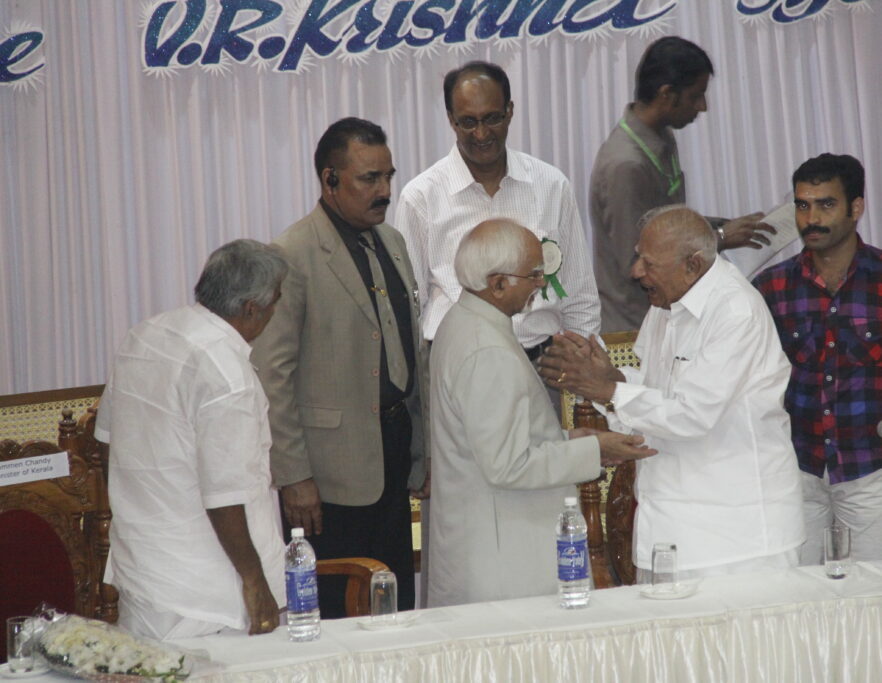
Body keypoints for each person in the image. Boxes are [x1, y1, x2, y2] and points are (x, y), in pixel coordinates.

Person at [539, 206, 804, 580]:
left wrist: (608, 388)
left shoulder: (735, 311)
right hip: (668, 528)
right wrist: (602, 380)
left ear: (693, 265)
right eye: (637, 258)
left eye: (648, 263)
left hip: (735, 541)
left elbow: (692, 414)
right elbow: (656, 393)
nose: (636, 272)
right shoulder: (664, 305)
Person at [250, 118, 429, 616]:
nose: (385, 191)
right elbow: (272, 375)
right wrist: (293, 476)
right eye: (369, 179)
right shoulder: (292, 254)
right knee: (336, 610)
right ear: (329, 180)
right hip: (327, 476)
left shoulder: (391, 242)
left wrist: (422, 450)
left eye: (388, 176)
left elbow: (411, 352)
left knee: (392, 601)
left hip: (391, 455)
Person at [428, 219, 655, 607]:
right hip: (504, 566)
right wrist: (593, 449)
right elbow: (508, 465)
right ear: (497, 283)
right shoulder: (488, 350)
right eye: (533, 275)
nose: (541, 285)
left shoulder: (465, 321)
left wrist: (573, 440)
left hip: (490, 545)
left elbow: (497, 441)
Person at [754, 154, 882, 564]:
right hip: (795, 471)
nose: (811, 218)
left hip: (869, 469)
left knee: (867, 598)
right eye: (802, 204)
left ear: (856, 207)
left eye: (825, 204)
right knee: (801, 600)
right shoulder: (771, 288)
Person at [97, 239, 287, 640]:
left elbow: (106, 442)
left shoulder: (143, 336)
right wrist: (255, 582)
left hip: (143, 569)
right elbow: (225, 496)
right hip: (208, 594)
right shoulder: (226, 372)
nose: (275, 314)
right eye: (275, 304)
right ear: (251, 308)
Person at [395, 60, 600, 359]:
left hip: (543, 365)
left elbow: (580, 295)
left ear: (510, 112)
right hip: (456, 365)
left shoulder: (551, 185)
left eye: (492, 118)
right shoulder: (420, 197)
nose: (481, 134)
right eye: (468, 122)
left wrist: (581, 373)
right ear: (452, 120)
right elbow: (410, 304)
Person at [590, 36, 774, 333]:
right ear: (667, 94)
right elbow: (637, 262)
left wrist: (721, 224)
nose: (702, 106)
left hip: (664, 318)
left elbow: (664, 221)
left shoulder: (660, 136)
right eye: (696, 95)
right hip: (634, 330)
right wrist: (722, 237)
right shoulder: (625, 164)